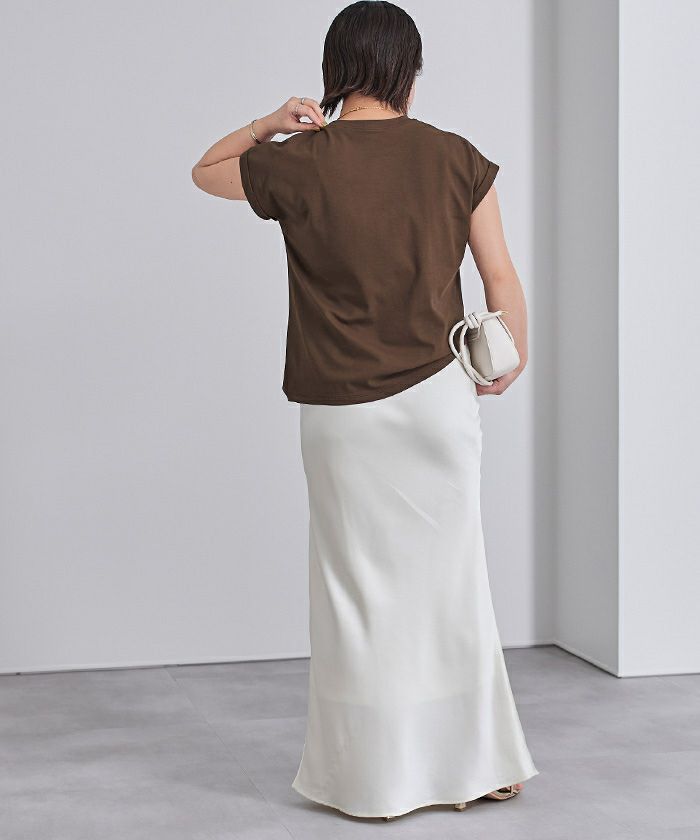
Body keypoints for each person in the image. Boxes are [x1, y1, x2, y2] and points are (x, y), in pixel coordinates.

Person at [191, 0, 538, 821]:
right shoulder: (455, 157)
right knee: (452, 584)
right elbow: (500, 278)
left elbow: (206, 170)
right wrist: (509, 359)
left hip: (339, 411)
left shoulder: (300, 161)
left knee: (357, 597)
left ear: (337, 70)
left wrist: (268, 123)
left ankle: (371, 783)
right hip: (437, 399)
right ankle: (480, 766)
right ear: (406, 72)